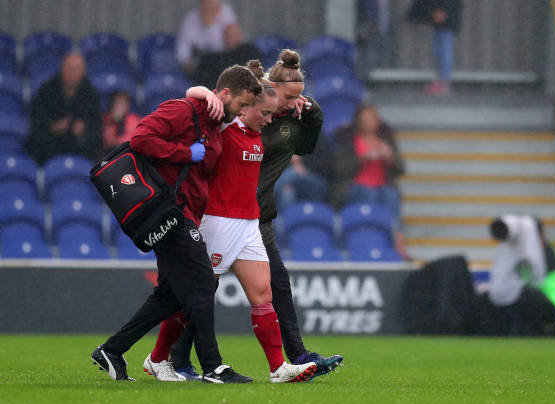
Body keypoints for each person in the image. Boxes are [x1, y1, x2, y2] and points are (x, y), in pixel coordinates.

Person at [168, 50, 343, 380]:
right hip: (220, 214)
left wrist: (314, 113)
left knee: (274, 285)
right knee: (202, 290)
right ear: (269, 89)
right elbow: (202, 100)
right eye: (289, 96)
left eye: (299, 96)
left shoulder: (291, 120)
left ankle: (293, 358)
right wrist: (205, 92)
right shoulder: (242, 112)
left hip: (256, 217)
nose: (295, 102)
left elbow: (307, 145)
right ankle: (172, 357)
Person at [90, 64, 262, 384]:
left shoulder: (213, 121)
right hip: (169, 212)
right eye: (241, 105)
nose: (242, 112)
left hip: (185, 213)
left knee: (170, 296)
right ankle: (213, 366)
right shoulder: (186, 110)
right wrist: (185, 152)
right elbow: (141, 138)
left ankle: (112, 350)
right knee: (202, 282)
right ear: (225, 94)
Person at [331, 103, 410, 260]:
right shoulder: (349, 141)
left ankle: (398, 245)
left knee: (391, 197)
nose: (369, 122)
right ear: (358, 121)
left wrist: (390, 158)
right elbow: (338, 169)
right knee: (369, 194)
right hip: (355, 186)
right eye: (365, 118)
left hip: (383, 185)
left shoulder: (385, 141)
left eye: (372, 118)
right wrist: (362, 159)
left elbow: (400, 169)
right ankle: (370, 245)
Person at [485, 214, 555, 336]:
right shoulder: (528, 251)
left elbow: (533, 277)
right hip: (544, 301)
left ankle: (534, 331)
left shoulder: (546, 252)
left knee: (520, 294)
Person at [25, 53, 102, 164]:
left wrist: (83, 132)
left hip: (81, 149)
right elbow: (36, 123)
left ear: (83, 72)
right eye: (69, 68)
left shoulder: (92, 95)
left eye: (76, 69)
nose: (72, 73)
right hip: (50, 148)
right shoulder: (46, 91)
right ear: (62, 69)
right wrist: (53, 128)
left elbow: (97, 130)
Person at [406, 0, 463, 95]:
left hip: (446, 18)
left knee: (444, 50)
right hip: (443, 18)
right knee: (438, 49)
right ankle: (441, 81)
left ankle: (444, 83)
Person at [177, 0, 238, 77]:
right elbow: (183, 49)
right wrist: (187, 62)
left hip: (224, 58)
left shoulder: (225, 12)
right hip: (202, 63)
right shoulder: (190, 18)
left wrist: (210, 26)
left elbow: (231, 42)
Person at [192, 22, 263, 87]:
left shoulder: (250, 51)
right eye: (228, 35)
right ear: (224, 38)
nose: (231, 38)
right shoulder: (215, 57)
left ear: (240, 35)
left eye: (235, 34)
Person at [356, 0, 392, 80]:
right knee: (368, 63)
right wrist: (364, 29)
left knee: (383, 62)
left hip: (384, 33)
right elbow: (362, 12)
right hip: (370, 34)